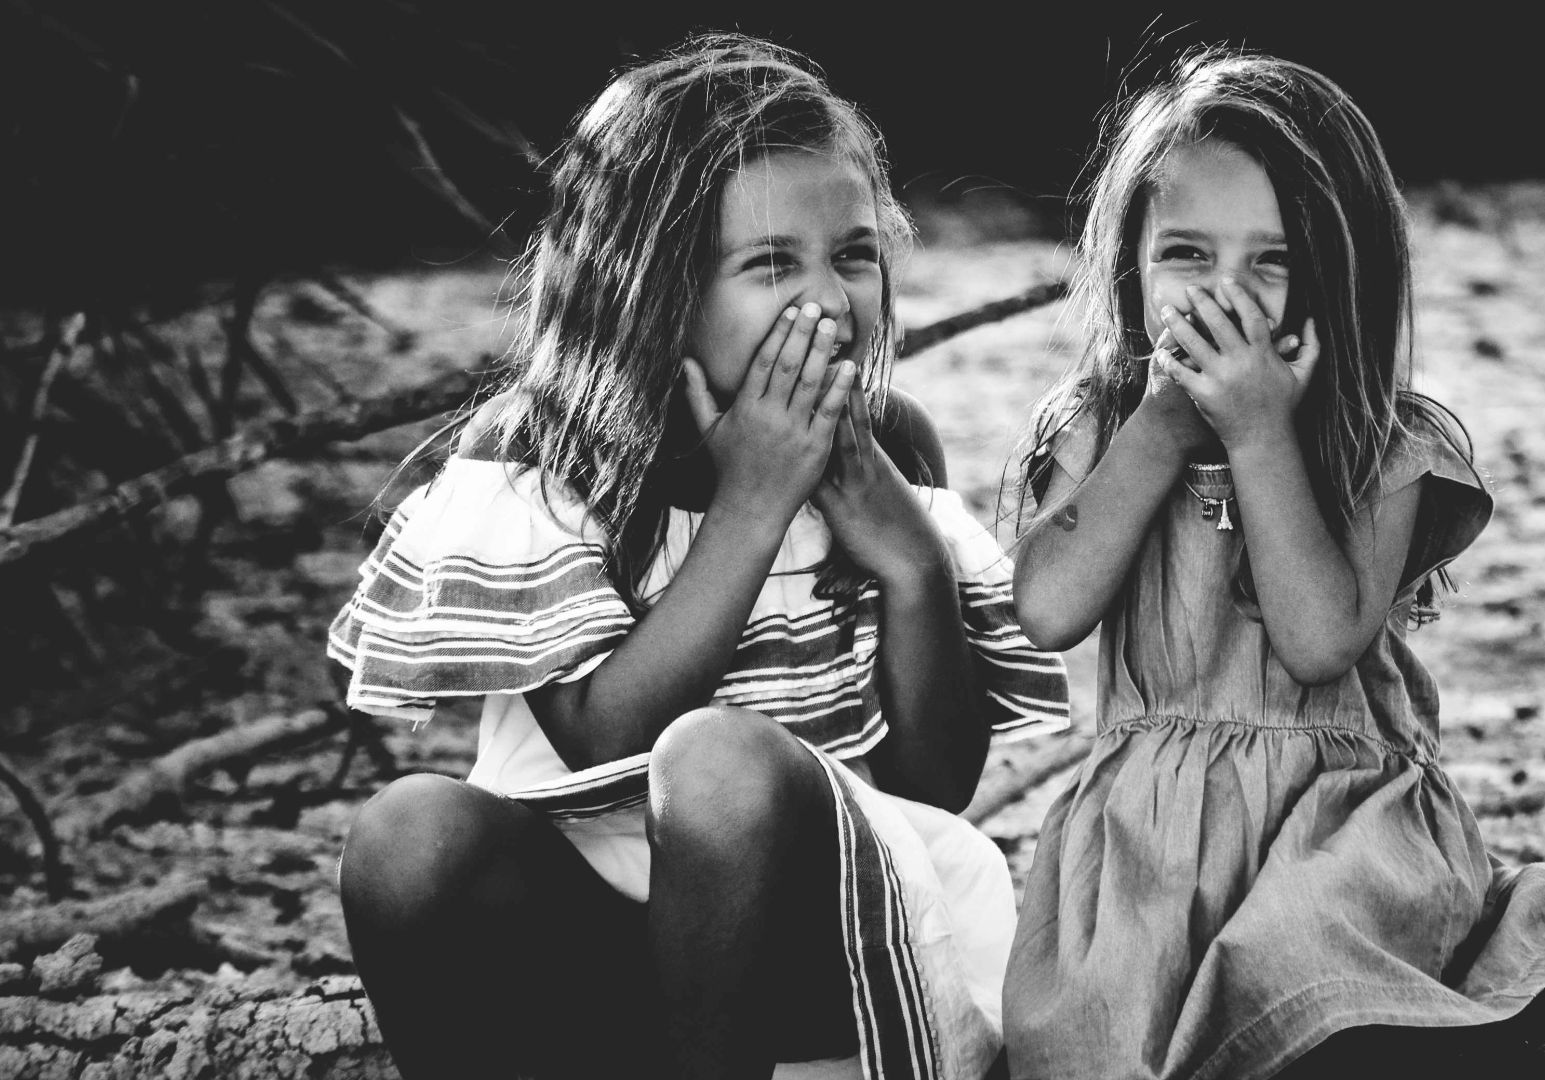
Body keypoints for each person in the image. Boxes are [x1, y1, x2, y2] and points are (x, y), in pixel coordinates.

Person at [327, 34, 1069, 1080]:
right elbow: (604, 744)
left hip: (821, 939)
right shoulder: (541, 452)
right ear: (656, 284)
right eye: (772, 264)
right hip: (587, 931)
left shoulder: (887, 446)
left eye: (853, 254)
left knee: (723, 766)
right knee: (407, 832)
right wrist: (753, 502)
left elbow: (933, 781)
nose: (830, 298)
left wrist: (912, 566)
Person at [1001, 48, 1545, 1079]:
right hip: (1147, 847)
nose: (1223, 295)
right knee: (1099, 1034)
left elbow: (1321, 637)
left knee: (1305, 971)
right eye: (1186, 255)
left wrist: (1259, 435)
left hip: (1332, 831)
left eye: (1271, 264)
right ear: (1130, 263)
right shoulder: (1100, 426)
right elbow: (1049, 608)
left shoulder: (1382, 444)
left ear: (1341, 271)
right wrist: (1154, 430)